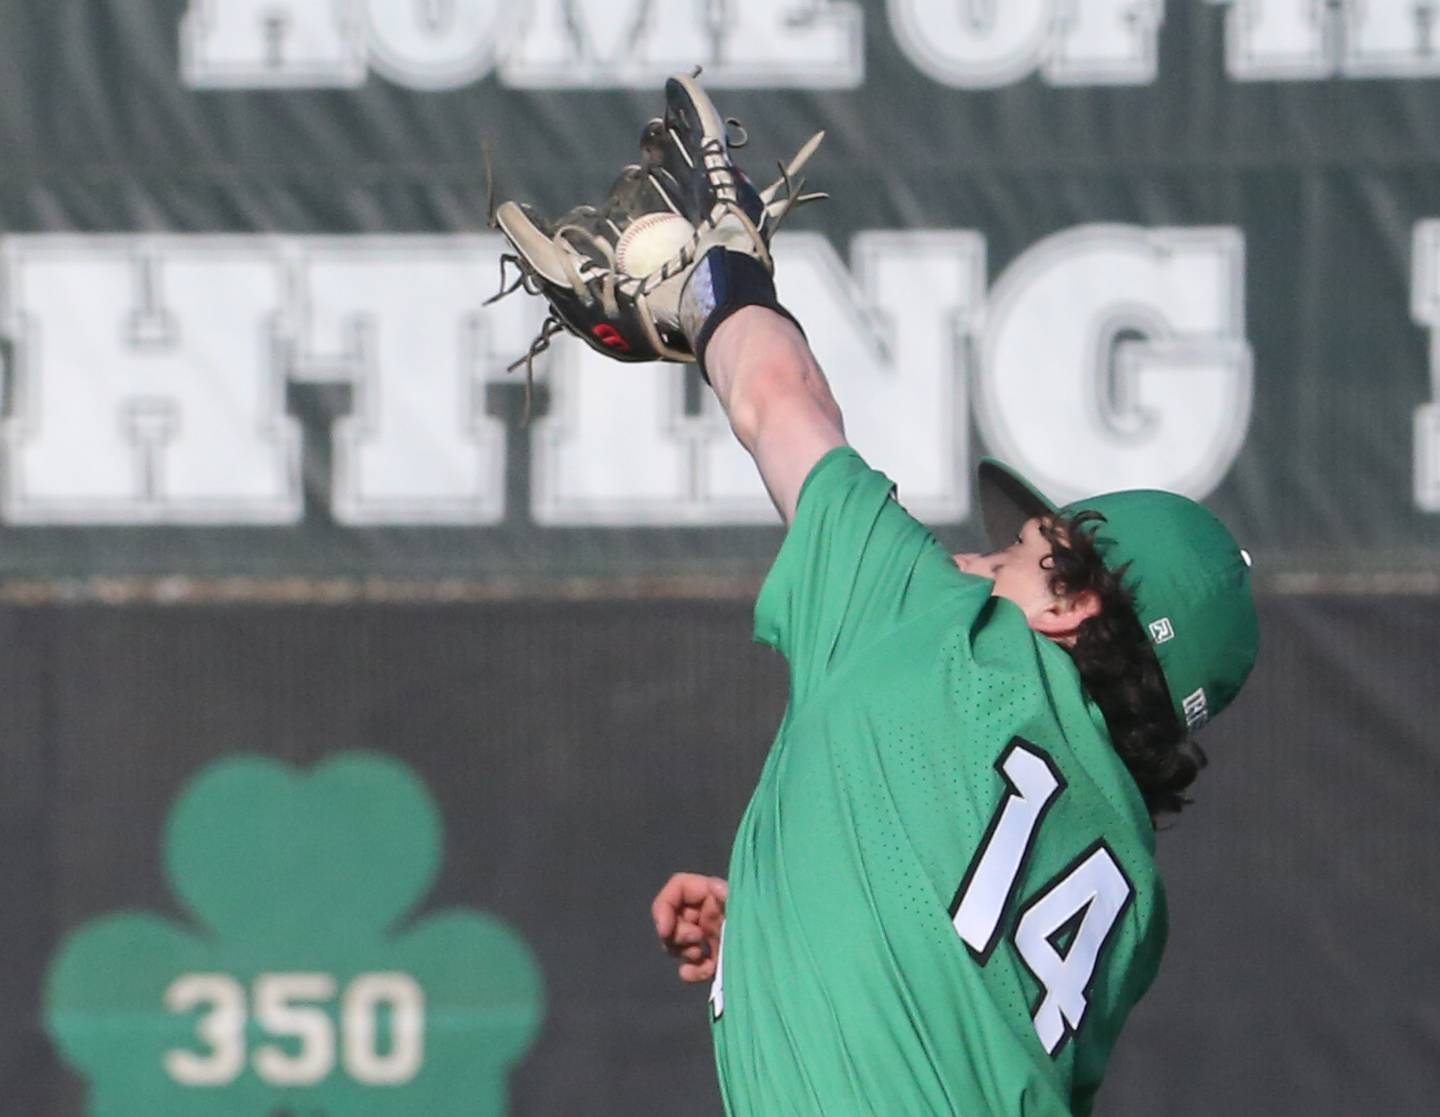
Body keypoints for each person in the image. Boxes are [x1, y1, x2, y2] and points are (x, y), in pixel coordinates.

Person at [639, 83, 1261, 1116]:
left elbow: (777, 396)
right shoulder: (1134, 896)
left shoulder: (939, 634)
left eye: (1020, 550)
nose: (975, 560)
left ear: (1067, 606)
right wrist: (786, 906)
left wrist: (722, 281)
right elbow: (960, 980)